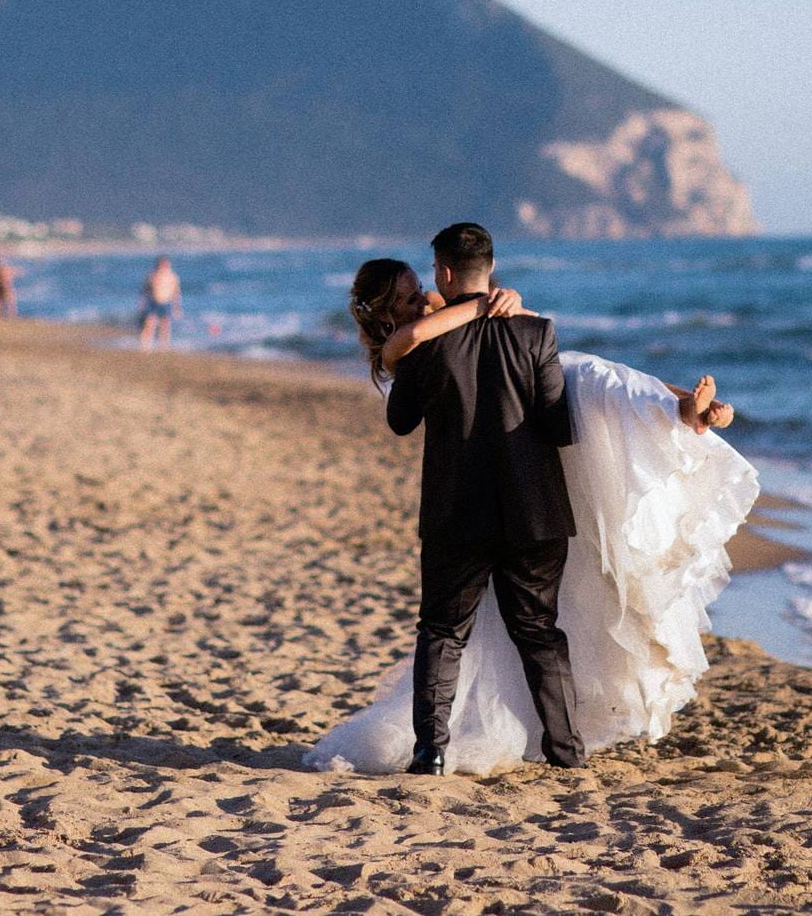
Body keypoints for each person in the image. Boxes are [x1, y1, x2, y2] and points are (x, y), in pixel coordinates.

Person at [306, 224, 756, 777]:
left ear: (445, 273)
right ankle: (565, 750)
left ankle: (431, 751)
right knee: (540, 633)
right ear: (488, 269)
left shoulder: (425, 342)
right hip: (534, 510)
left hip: (457, 512)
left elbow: (401, 421)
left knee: (443, 631)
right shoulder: (535, 331)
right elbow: (559, 426)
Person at [139, 256, 183, 351]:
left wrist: (177, 307)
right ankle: (145, 346)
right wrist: (142, 303)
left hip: (166, 302)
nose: (164, 266)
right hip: (153, 302)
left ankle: (164, 347)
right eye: (162, 264)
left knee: (165, 325)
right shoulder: (152, 276)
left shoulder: (172, 277)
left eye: (165, 264)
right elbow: (145, 291)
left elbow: (176, 293)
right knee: (149, 324)